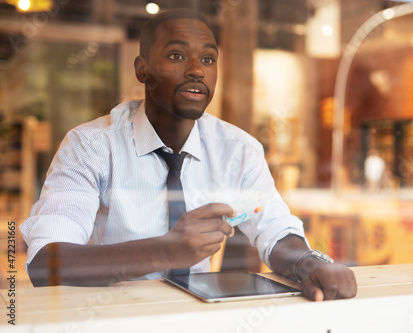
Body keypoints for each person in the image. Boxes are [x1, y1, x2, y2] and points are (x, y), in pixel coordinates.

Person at [20, 8, 356, 301]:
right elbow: (45, 263)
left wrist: (308, 264)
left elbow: (276, 229)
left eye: (208, 59)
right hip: (113, 318)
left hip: (198, 315)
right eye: (177, 56)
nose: (197, 69)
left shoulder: (238, 150)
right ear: (143, 70)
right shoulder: (90, 146)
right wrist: (165, 250)